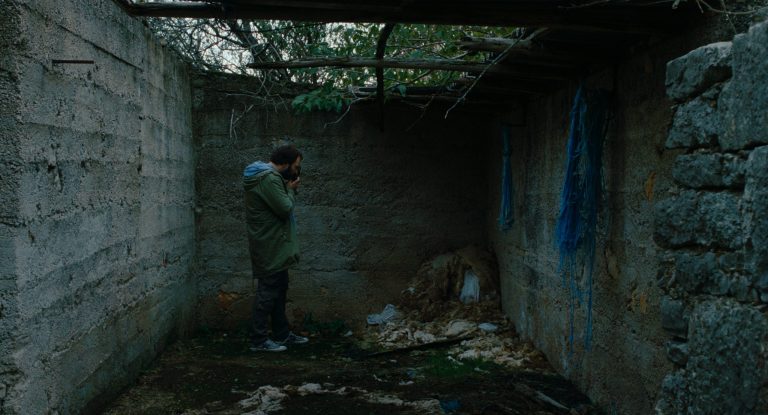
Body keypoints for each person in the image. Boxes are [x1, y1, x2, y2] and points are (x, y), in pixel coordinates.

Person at [243, 144, 308, 352]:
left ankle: (282, 334)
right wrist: (290, 190)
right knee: (268, 291)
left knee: (279, 289)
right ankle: (259, 340)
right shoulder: (269, 179)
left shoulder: (268, 177)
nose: (296, 171)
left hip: (274, 243)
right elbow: (284, 208)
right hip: (270, 245)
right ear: (285, 163)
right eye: (296, 166)